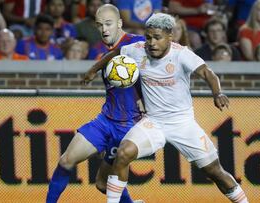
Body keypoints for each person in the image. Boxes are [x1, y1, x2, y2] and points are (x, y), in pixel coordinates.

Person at [84, 13, 249, 203]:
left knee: (214, 172)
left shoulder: (181, 54)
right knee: (123, 153)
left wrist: (217, 93)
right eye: (148, 37)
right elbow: (115, 53)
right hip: (154, 122)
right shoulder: (137, 50)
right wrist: (93, 70)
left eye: (157, 38)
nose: (151, 43)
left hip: (182, 124)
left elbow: (207, 73)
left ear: (170, 36)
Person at [46, 4, 145, 203]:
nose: (104, 29)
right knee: (66, 161)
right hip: (105, 121)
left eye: (108, 24)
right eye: (99, 25)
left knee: (103, 184)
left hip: (127, 127)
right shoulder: (103, 54)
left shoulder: (139, 43)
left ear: (119, 23)